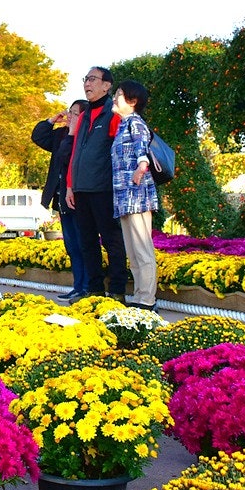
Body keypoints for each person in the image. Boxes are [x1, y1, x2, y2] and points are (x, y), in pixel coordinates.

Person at [65, 66, 128, 300]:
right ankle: (94, 290)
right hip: (81, 188)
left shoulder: (113, 114)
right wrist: (70, 185)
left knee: (112, 241)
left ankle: (117, 291)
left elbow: (121, 151)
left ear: (106, 85)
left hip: (104, 188)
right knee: (87, 242)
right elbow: (75, 153)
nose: (87, 84)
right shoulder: (83, 116)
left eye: (92, 79)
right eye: (86, 79)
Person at [32, 99, 89, 300]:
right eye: (69, 112)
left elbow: (67, 157)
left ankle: (87, 287)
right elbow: (38, 137)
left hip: (78, 197)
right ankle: (78, 286)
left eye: (75, 113)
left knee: (83, 244)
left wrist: (73, 132)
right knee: (71, 245)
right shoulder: (61, 134)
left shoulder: (85, 136)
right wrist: (51, 121)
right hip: (61, 198)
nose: (69, 116)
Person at [110, 79, 159, 309]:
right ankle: (140, 297)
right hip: (124, 197)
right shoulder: (123, 125)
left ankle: (147, 300)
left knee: (142, 249)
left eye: (119, 94)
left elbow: (142, 147)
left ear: (132, 101)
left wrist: (142, 166)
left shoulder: (135, 123)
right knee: (133, 251)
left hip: (137, 196)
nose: (114, 98)